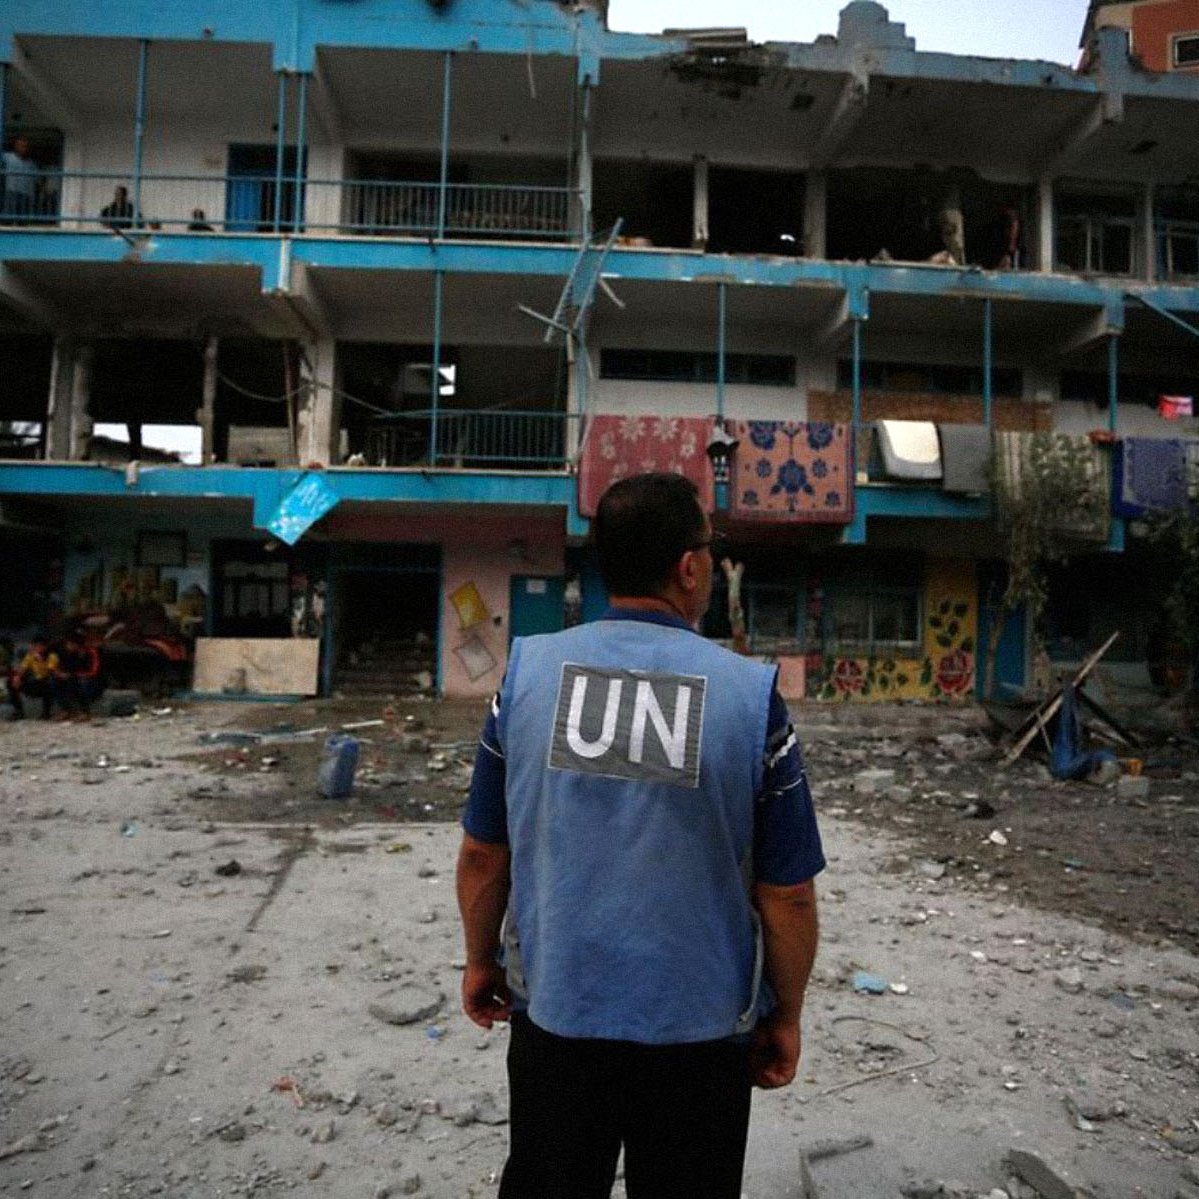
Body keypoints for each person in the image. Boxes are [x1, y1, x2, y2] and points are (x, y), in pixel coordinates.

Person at [456, 472, 824, 1199]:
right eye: (710, 548)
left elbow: (481, 851)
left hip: (558, 1012)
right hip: (700, 1029)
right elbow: (787, 894)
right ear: (689, 567)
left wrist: (478, 959)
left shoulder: (523, 674)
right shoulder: (751, 697)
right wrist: (786, 1011)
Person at [58, 628, 106, 718]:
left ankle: (85, 711)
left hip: (93, 681)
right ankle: (67, 710)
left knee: (82, 683)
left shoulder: (92, 652)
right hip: (76, 678)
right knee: (58, 682)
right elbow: (67, 669)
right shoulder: (71, 654)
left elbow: (94, 671)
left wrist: (78, 675)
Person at [13, 634, 60, 720]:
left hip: (47, 682)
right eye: (35, 646)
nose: (37, 648)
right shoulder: (30, 655)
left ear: (45, 646)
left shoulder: (52, 656)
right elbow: (23, 668)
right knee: (11, 683)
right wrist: (17, 677)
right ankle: (18, 711)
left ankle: (46, 712)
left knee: (48, 683)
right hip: (35, 682)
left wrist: (41, 661)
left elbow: (50, 671)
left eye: (39, 646)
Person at [2, 136, 37, 222]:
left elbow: (36, 178)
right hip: (11, 191)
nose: (23, 148)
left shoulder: (31, 163)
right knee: (8, 217)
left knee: (23, 219)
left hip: (26, 193)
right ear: (15, 146)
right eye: (20, 145)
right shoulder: (7, 157)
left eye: (25, 146)